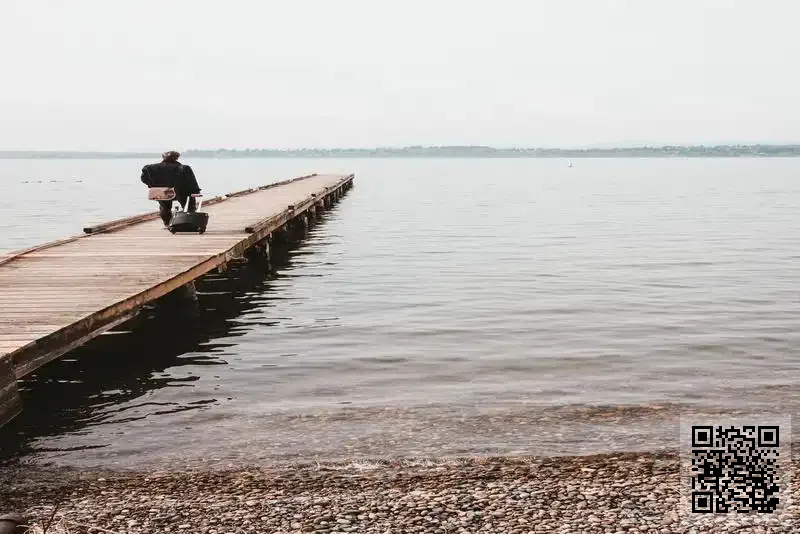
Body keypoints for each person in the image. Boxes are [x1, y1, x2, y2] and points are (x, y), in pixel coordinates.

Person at [140, 151, 202, 226]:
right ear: (176, 158)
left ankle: (167, 223)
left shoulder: (150, 168)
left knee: (164, 207)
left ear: (163, 158)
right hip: (180, 192)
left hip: (162, 192)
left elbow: (144, 179)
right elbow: (191, 181)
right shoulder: (184, 168)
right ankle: (188, 221)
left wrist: (152, 185)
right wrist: (195, 191)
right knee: (189, 203)